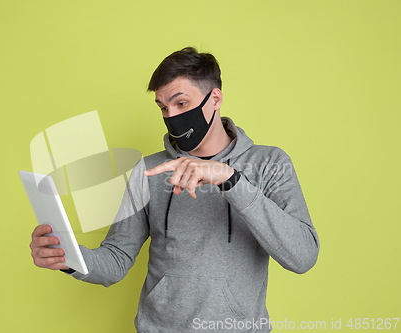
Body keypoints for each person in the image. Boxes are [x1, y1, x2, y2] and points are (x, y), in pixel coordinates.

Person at [29, 47, 319, 332]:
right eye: (163, 107)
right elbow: (116, 259)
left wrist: (231, 180)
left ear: (214, 99)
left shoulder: (269, 163)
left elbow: (303, 256)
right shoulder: (150, 171)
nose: (172, 116)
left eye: (181, 103)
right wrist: (69, 258)